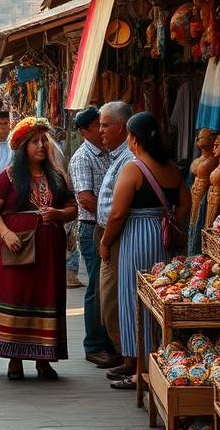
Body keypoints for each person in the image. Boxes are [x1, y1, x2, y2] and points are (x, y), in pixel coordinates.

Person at [101, 111, 191, 390]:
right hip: (162, 239)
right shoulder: (171, 168)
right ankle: (158, 365)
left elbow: (117, 214)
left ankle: (139, 371)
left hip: (136, 236)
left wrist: (105, 242)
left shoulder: (134, 168)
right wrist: (171, 221)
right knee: (161, 300)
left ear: (134, 139)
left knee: (134, 302)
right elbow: (187, 203)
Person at [0, 117, 76, 381]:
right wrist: (5, 232)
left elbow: (73, 209)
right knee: (18, 296)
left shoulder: (57, 176)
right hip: (18, 245)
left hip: (50, 248)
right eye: (34, 142)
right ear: (23, 147)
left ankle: (43, 360)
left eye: (44, 141)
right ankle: (15, 359)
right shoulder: (9, 176)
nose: (40, 146)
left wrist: (59, 214)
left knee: (46, 296)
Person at [67, 106, 120, 367]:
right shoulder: (82, 158)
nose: (102, 130)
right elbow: (85, 199)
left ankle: (110, 341)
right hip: (93, 227)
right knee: (98, 287)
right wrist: (113, 217)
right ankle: (94, 345)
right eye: (98, 125)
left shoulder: (110, 153)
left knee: (107, 286)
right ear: (85, 131)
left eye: (105, 125)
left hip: (107, 225)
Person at [94, 101, 134, 381]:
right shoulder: (118, 155)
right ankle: (127, 357)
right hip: (111, 234)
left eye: (105, 125)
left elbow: (119, 211)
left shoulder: (129, 159)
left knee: (114, 300)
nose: (101, 130)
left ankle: (130, 358)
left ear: (121, 127)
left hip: (118, 236)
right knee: (111, 300)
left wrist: (107, 240)